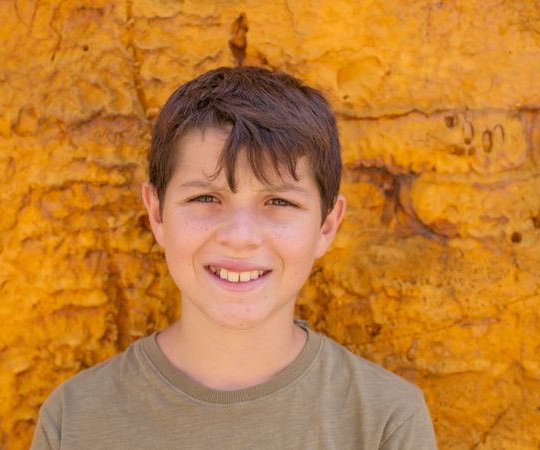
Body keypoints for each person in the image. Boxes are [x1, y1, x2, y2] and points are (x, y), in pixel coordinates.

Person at [30, 66, 437, 449]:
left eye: (278, 201)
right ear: (157, 214)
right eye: (205, 198)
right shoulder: (76, 418)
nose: (240, 237)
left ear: (327, 226)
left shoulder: (385, 421)